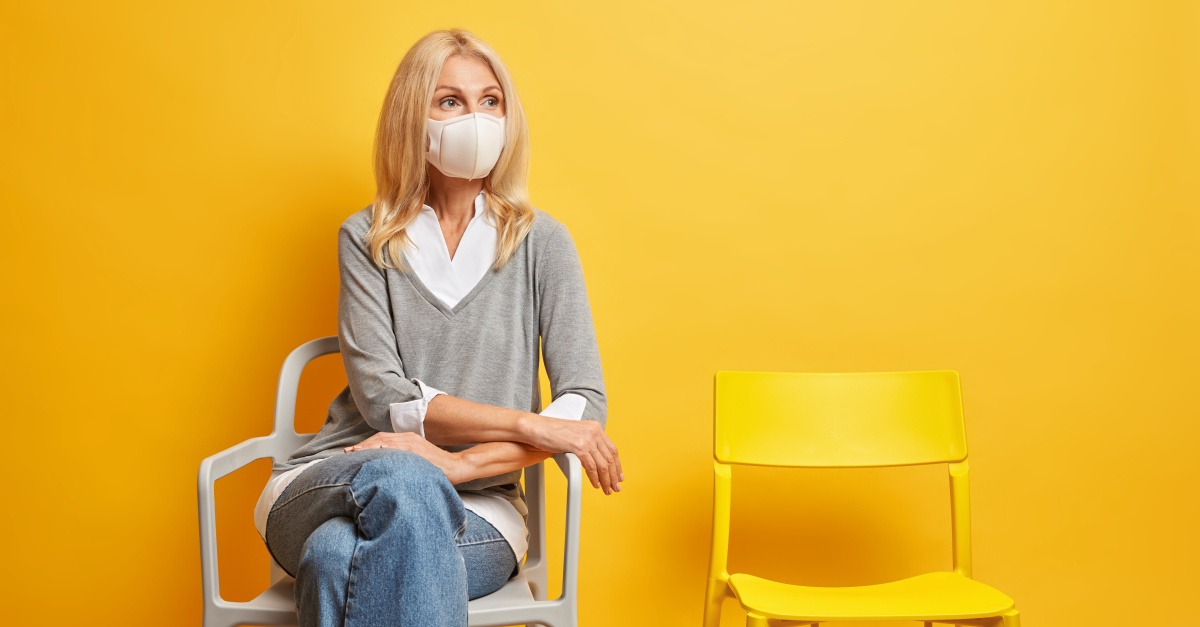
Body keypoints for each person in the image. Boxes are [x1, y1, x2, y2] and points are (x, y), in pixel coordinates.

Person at [251, 28, 621, 627]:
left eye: (490, 101)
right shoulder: (366, 238)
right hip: (340, 476)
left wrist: (463, 466)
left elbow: (582, 402)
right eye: (451, 101)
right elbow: (385, 400)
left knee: (336, 557)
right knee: (404, 473)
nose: (475, 117)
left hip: (482, 508)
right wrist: (528, 423)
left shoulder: (543, 244)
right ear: (411, 120)